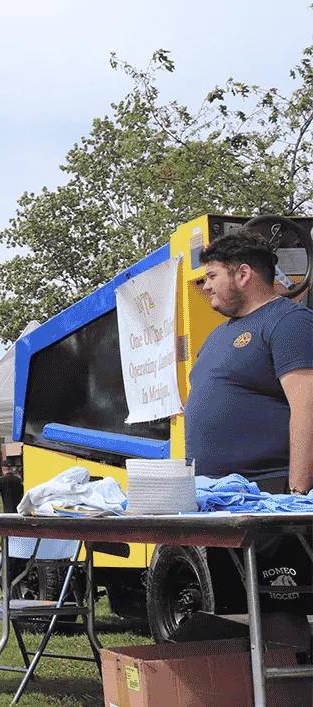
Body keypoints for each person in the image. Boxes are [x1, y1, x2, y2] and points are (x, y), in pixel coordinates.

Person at [185, 229, 313, 652]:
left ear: (243, 274)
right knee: (239, 612)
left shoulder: (289, 321)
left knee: (282, 611)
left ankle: (294, 692)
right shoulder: (219, 334)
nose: (204, 288)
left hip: (271, 497)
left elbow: (307, 408)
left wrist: (296, 495)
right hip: (222, 502)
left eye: (211, 277)